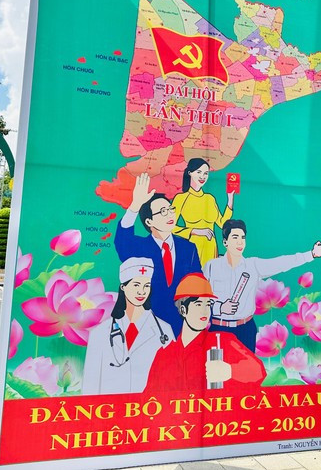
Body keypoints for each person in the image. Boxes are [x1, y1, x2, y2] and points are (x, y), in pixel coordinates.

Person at [203, 219, 321, 352]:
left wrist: (311, 254)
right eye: (235, 237)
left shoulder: (253, 265)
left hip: (244, 330)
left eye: (243, 237)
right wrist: (220, 308)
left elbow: (281, 263)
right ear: (225, 242)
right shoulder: (211, 267)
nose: (240, 242)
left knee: (245, 371)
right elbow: (200, 298)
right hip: (218, 329)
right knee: (216, 369)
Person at [144, 273, 265, 393]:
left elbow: (258, 371)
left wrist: (229, 371)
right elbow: (148, 398)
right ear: (183, 310)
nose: (204, 311)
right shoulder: (164, 356)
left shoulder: (222, 341)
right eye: (198, 304)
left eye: (208, 304)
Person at [114, 173, 202, 335]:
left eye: (170, 209)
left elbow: (197, 284)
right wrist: (135, 206)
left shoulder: (188, 248)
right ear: (149, 222)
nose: (170, 215)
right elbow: (122, 242)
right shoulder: (139, 247)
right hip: (147, 324)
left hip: (181, 325)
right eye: (162, 212)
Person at [82, 257, 174, 395]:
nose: (141, 291)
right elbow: (90, 387)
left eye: (146, 285)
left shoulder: (164, 332)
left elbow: (173, 381)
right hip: (110, 411)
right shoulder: (100, 333)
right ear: (123, 287)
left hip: (150, 410)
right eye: (136, 285)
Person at [172, 158, 234, 266]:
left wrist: (230, 199)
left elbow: (222, 224)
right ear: (190, 173)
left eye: (206, 173)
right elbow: (170, 227)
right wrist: (195, 231)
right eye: (199, 172)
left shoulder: (210, 199)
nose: (202, 176)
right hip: (193, 247)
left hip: (211, 248)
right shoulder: (181, 198)